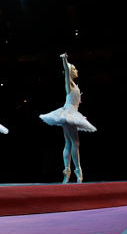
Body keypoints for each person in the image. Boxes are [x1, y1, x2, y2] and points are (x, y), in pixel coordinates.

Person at [40, 53, 96, 183]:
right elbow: (66, 70)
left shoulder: (74, 85)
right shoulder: (69, 83)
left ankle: (67, 170)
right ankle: (78, 171)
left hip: (68, 113)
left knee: (68, 143)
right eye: (74, 69)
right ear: (70, 72)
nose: (77, 71)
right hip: (69, 113)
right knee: (75, 143)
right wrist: (64, 60)